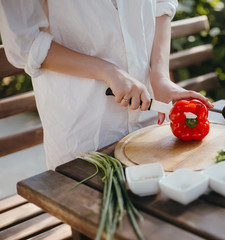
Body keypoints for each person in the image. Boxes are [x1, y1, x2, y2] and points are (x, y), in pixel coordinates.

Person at [0, 0, 213, 170]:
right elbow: (25, 45)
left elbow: (161, 6)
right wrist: (107, 71)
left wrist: (159, 75)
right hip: (86, 132)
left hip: (148, 128)